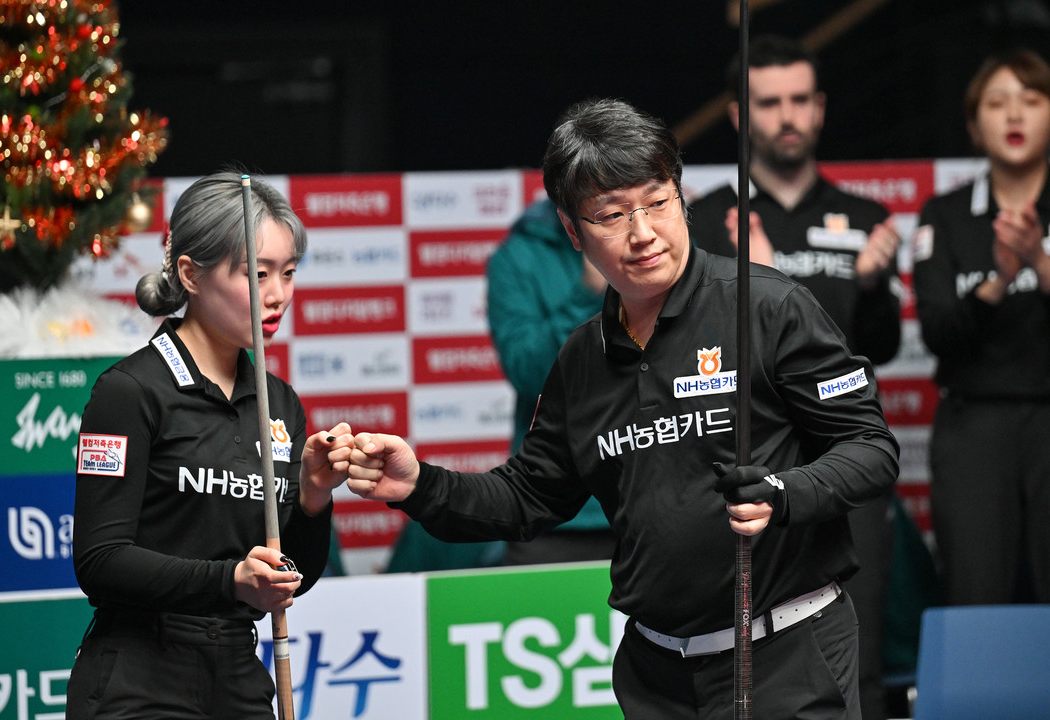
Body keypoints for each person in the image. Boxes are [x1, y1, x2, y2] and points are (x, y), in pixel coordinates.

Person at [347, 98, 899, 719]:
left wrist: (785, 491)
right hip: (655, 676)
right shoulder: (582, 358)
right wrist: (419, 485)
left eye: (657, 202)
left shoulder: (768, 306)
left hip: (783, 655)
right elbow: (527, 497)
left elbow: (870, 449)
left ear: (681, 198)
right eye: (611, 215)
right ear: (572, 230)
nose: (642, 233)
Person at [67, 171, 354, 719]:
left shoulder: (280, 403)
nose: (277, 295)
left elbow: (293, 578)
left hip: (239, 675)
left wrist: (315, 496)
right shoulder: (129, 392)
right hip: (138, 678)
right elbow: (99, 561)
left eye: (289, 273)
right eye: (257, 274)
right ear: (190, 274)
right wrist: (231, 581)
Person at [689, 35, 902, 720]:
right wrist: (765, 273)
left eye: (800, 99)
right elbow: (692, 352)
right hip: (740, 468)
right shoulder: (700, 222)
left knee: (857, 651)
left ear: (821, 107)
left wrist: (871, 289)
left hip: (842, 460)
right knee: (733, 654)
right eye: (769, 102)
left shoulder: (865, 220)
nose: (787, 116)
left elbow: (880, 349)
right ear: (738, 114)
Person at [912, 48, 1050, 607]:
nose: (1014, 115)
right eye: (997, 103)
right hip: (974, 429)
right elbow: (938, 332)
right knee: (975, 596)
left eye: (1031, 100)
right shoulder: (943, 215)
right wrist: (1000, 280)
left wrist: (1038, 262)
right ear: (974, 125)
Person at [486, 197, 615, 564]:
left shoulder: (660, 240)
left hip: (656, 501)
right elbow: (528, 374)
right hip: (555, 513)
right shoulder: (518, 256)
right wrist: (588, 294)